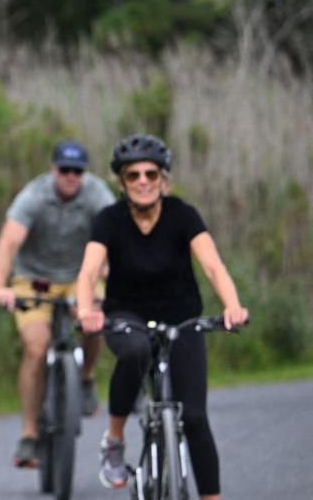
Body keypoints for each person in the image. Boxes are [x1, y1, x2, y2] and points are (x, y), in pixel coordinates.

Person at [77, 134, 248, 500]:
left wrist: (232, 306)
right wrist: (85, 311)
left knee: (196, 418)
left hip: (181, 318)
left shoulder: (183, 215)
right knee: (136, 351)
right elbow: (89, 272)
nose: (143, 181)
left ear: (163, 179)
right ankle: (116, 439)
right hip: (127, 317)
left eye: (151, 174)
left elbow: (213, 265)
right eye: (133, 175)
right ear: (121, 182)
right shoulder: (109, 220)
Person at [0, 140, 115, 468]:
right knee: (35, 347)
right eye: (65, 170)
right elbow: (8, 243)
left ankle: (85, 377)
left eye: (78, 171)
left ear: (84, 174)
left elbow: (114, 238)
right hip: (36, 280)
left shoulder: (98, 194)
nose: (71, 176)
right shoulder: (34, 196)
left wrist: (110, 273)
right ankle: (29, 434)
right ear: (53, 169)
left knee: (94, 318)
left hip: (81, 276)